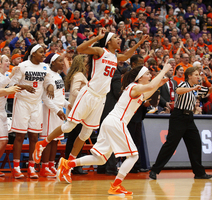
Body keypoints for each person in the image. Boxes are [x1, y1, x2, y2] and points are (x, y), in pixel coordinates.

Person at [33, 29, 148, 183]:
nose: (118, 39)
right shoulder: (101, 51)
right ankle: (42, 144)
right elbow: (80, 49)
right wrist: (97, 37)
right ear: (108, 41)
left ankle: (68, 166)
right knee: (68, 127)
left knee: (85, 134)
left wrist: (139, 43)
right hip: (89, 94)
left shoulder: (114, 56)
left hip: (100, 99)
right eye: (115, 37)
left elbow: (127, 56)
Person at [56, 63, 172, 195]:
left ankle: (67, 164)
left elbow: (148, 92)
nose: (150, 75)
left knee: (100, 159)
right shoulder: (135, 87)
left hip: (110, 122)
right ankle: (116, 185)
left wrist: (159, 84)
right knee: (134, 156)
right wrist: (164, 70)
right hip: (116, 122)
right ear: (140, 77)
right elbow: (150, 86)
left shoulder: (137, 90)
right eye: (147, 74)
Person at [149, 67, 212, 180]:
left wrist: (204, 84)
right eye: (196, 75)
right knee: (170, 145)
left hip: (189, 118)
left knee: (196, 144)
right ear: (189, 76)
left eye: (199, 75)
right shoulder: (184, 84)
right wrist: (193, 88)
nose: (198, 77)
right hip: (178, 117)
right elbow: (178, 91)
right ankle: (154, 170)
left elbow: (209, 91)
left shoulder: (197, 88)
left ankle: (199, 173)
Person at [10, 43, 54, 179]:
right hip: (22, 103)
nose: (43, 54)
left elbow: (48, 82)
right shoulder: (23, 66)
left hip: (37, 104)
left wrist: (51, 87)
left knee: (34, 137)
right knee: (20, 136)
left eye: (44, 52)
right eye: (41, 52)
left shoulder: (45, 67)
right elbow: (11, 84)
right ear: (33, 53)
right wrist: (24, 86)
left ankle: (31, 167)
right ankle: (16, 168)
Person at [39, 53, 70, 178]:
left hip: (58, 111)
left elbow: (60, 97)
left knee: (56, 140)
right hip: (50, 111)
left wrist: (68, 105)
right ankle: (44, 166)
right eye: (60, 61)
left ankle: (51, 165)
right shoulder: (48, 76)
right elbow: (45, 98)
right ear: (52, 62)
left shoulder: (58, 75)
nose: (62, 63)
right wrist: (58, 110)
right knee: (49, 139)